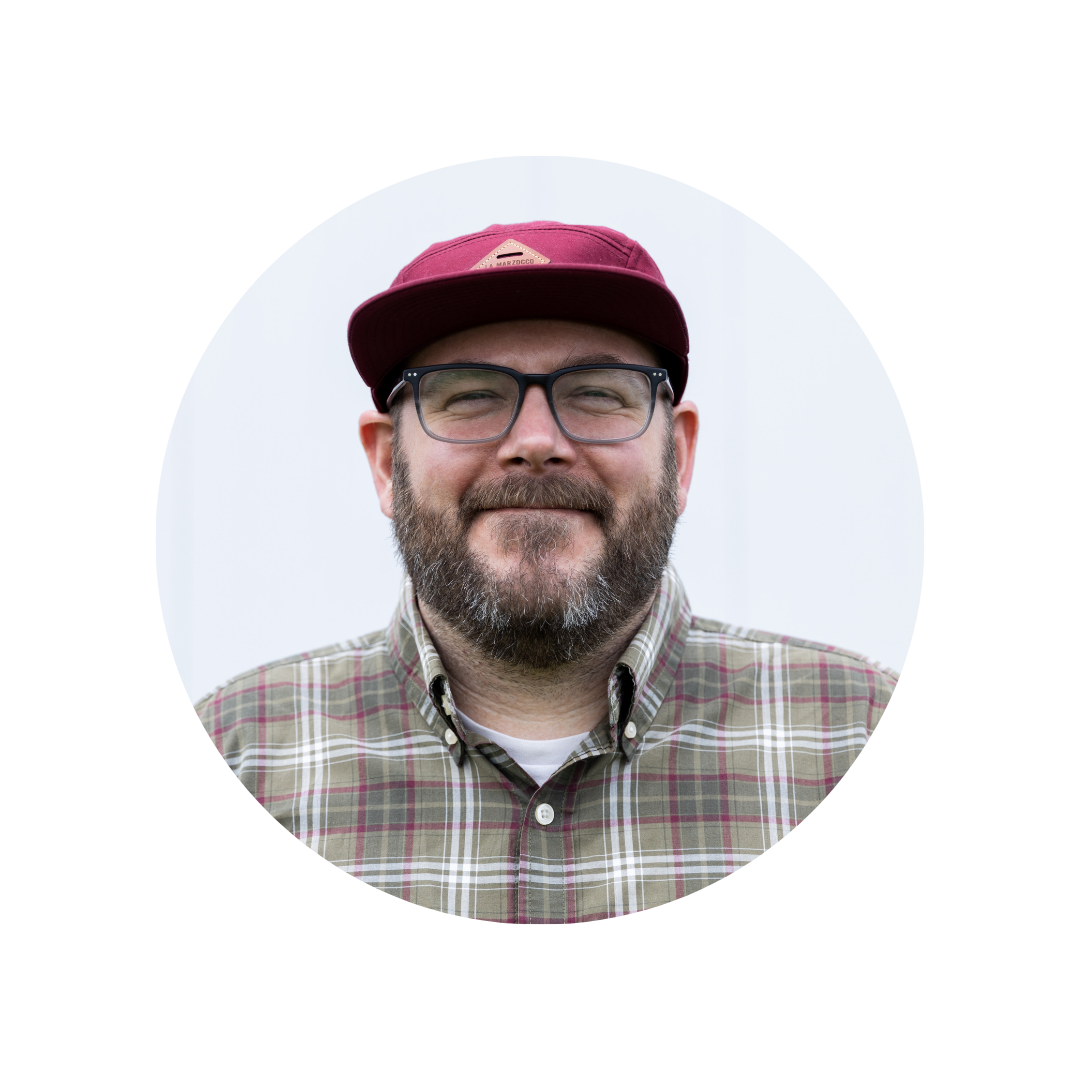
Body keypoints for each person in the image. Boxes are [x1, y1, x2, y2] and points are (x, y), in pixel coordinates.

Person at [196, 221, 897, 923]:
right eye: (470, 395)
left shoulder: (861, 743)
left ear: (679, 458)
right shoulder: (233, 763)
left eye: (596, 392)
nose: (535, 442)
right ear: (386, 465)